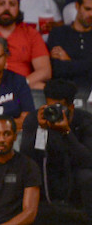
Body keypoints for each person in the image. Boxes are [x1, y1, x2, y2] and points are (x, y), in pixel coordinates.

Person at [21, 79, 92, 220]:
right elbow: (27, 156)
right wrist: (41, 129)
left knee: (86, 176)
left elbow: (88, 160)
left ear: (71, 107)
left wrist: (66, 132)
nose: (54, 111)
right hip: (47, 174)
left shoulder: (85, 120)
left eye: (60, 107)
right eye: (49, 105)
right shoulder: (35, 119)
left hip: (75, 176)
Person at [47, 0, 92, 95]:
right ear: (77, 6)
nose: (91, 14)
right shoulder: (58, 33)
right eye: (87, 9)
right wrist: (86, 65)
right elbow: (57, 70)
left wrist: (69, 61)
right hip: (63, 94)